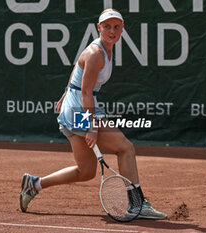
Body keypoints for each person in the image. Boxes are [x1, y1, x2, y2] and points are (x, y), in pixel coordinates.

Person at [20, 8, 167, 220]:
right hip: (80, 108)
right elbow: (87, 92)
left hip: (76, 104)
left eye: (116, 27)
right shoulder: (96, 54)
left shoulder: (105, 49)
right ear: (99, 28)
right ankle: (137, 205)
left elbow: (77, 70)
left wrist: (65, 94)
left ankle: (34, 184)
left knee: (86, 171)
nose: (112, 31)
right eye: (107, 26)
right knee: (125, 148)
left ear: (122, 29)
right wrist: (91, 127)